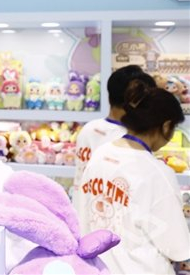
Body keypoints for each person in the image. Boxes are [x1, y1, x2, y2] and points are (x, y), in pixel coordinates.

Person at [77, 80, 189, 274]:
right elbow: (177, 247)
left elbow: (80, 211)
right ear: (166, 126)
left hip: (95, 267)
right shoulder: (157, 172)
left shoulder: (101, 154)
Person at [72, 65, 156, 212]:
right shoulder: (130, 139)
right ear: (135, 100)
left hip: (82, 209)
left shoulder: (88, 129)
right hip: (111, 215)